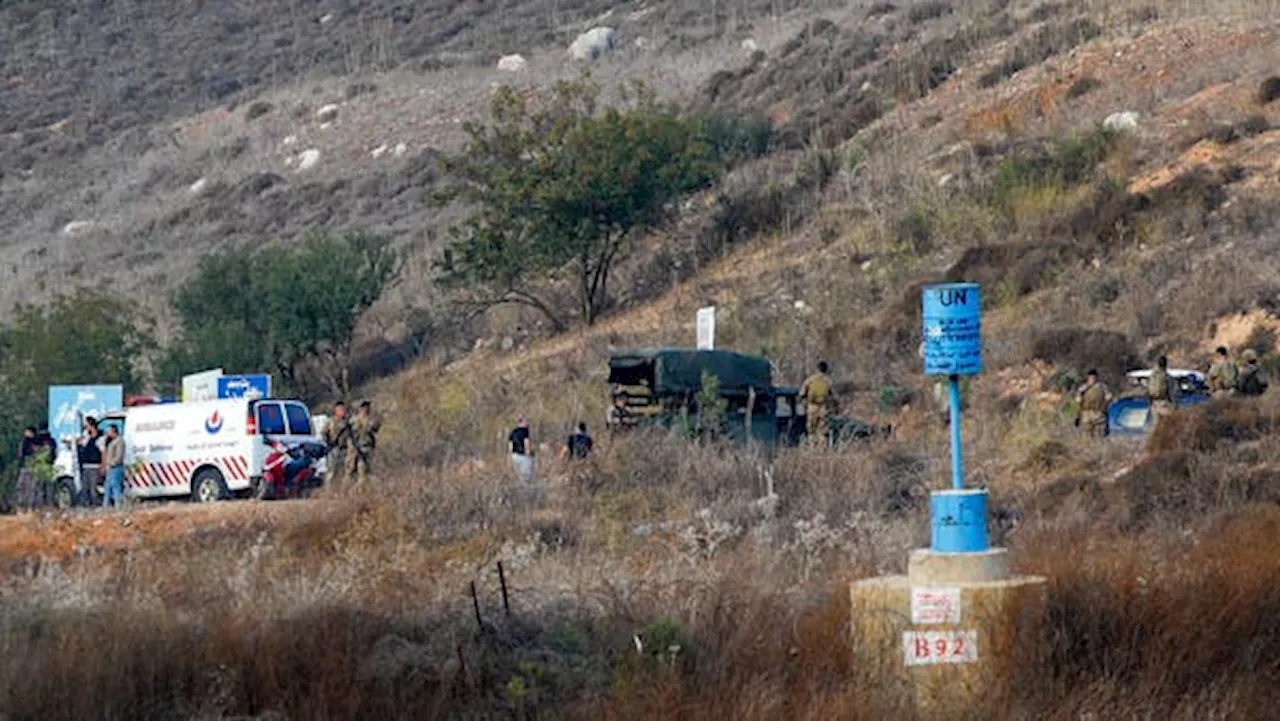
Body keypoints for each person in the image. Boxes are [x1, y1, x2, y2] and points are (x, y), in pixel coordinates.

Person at [800, 360, 835, 448]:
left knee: (811, 429)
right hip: (823, 408)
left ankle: (812, 448)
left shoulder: (810, 380)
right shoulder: (828, 381)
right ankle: (822, 449)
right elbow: (834, 396)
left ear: (817, 369)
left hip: (812, 407)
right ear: (826, 369)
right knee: (822, 430)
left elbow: (802, 393)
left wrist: (805, 405)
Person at [347, 400, 381, 485]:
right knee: (351, 470)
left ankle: (361, 489)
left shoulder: (371, 420)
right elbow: (349, 434)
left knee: (365, 470)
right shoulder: (353, 420)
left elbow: (375, 427)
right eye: (363, 407)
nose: (366, 409)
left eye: (367, 407)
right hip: (355, 448)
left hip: (367, 447)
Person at [1075, 369, 1113, 439]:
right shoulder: (1083, 388)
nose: (1092, 378)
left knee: (1099, 435)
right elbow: (1078, 401)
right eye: (1090, 376)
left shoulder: (1102, 387)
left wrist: (1104, 407)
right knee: (1086, 436)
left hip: (1098, 413)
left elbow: (1109, 397)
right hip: (1086, 413)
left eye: (1093, 376)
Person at [322, 401, 352, 487]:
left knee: (342, 470)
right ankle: (329, 490)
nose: (343, 411)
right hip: (333, 449)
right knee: (332, 471)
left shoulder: (347, 423)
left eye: (344, 409)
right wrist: (328, 442)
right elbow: (323, 433)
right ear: (336, 410)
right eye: (341, 409)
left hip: (344, 449)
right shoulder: (330, 422)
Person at [1147, 356, 1176, 427]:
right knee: (1169, 426)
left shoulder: (1152, 376)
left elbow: (1149, 389)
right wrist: (1174, 405)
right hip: (1164, 404)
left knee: (1155, 426)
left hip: (1154, 404)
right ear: (1166, 365)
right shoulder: (1167, 377)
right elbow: (1171, 392)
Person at [102, 424, 126, 509]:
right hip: (110, 468)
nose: (107, 434)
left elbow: (119, 456)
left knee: (116, 488)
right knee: (107, 488)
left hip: (116, 468)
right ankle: (105, 507)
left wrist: (111, 463)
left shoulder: (119, 441)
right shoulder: (111, 442)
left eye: (108, 431)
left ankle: (118, 507)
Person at [509, 416, 534, 482]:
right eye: (526, 421)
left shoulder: (513, 432)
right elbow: (526, 443)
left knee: (519, 476)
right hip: (523, 456)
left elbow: (510, 446)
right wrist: (529, 454)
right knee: (526, 477)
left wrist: (510, 457)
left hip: (514, 456)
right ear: (523, 422)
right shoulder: (525, 431)